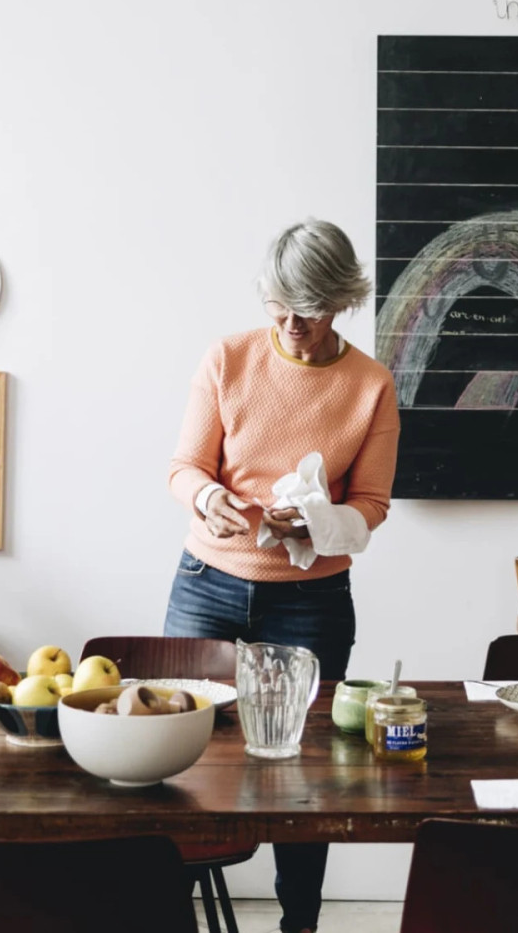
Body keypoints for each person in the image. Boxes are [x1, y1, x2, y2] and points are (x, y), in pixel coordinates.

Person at [165, 219, 400, 933]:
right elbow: (185, 470)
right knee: (182, 754)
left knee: (309, 778)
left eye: (312, 309)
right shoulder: (227, 360)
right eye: (281, 307)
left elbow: (373, 504)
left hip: (312, 600)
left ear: (344, 302)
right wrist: (212, 501)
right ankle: (174, 914)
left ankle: (300, 923)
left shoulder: (369, 385)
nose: (293, 325)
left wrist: (319, 523)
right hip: (208, 580)